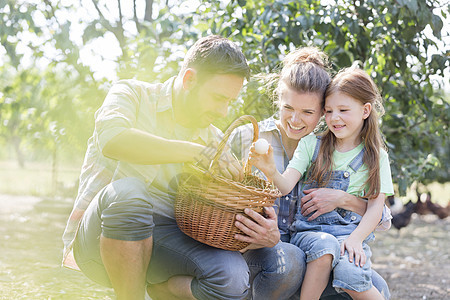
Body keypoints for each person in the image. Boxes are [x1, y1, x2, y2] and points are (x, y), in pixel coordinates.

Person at [61, 35, 253, 300]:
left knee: (231, 278)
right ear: (189, 80)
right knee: (130, 193)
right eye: (218, 98)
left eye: (229, 102)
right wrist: (193, 152)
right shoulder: (131, 94)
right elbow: (112, 139)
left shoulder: (215, 140)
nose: (223, 111)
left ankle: (156, 292)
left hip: (164, 245)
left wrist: (263, 227)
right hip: (101, 240)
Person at [229, 47, 392, 299]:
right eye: (288, 108)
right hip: (260, 254)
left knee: (375, 285)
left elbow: (381, 217)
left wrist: (341, 199)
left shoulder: (331, 146)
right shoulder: (248, 138)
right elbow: (215, 203)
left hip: (317, 252)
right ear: (278, 101)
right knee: (290, 261)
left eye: (308, 112)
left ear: (320, 111)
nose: (295, 120)